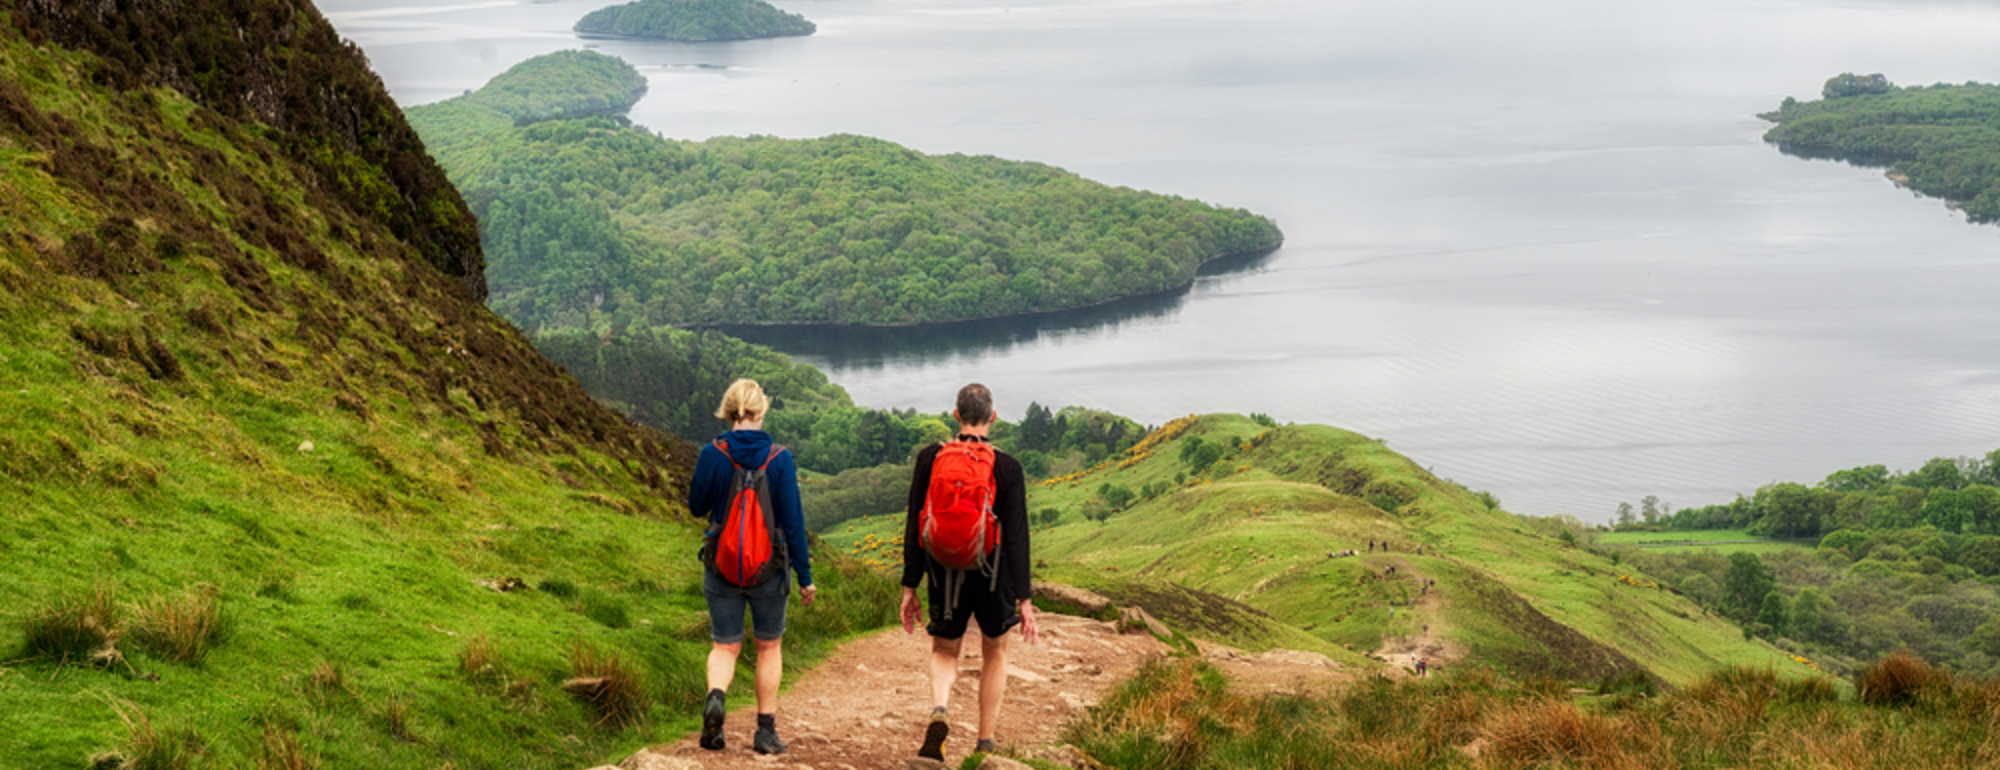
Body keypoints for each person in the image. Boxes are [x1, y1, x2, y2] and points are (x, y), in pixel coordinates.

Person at [901, 383, 1039, 761]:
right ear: (992, 417)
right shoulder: (1007, 467)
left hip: (943, 571)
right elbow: (1017, 536)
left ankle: (940, 709)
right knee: (994, 651)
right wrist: (1024, 598)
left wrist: (910, 584)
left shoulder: (930, 458)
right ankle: (984, 743)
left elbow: (914, 521)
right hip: (993, 575)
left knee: (945, 649)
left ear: (957, 414)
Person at [688, 379, 815, 755]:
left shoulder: (713, 453)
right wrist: (805, 577)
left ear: (729, 413)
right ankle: (765, 732)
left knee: (725, 646)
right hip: (770, 570)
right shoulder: (779, 458)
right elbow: (792, 523)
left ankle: (716, 698)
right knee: (768, 646)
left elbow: (696, 506)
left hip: (721, 564)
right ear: (760, 412)